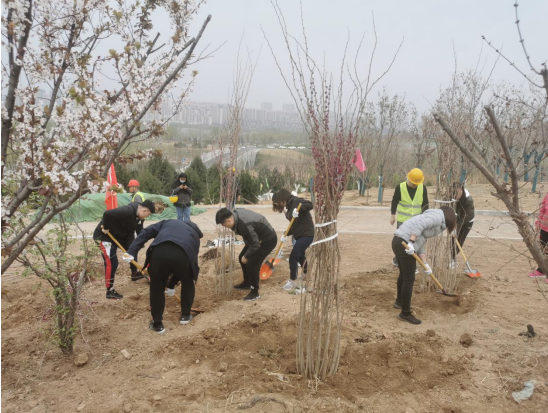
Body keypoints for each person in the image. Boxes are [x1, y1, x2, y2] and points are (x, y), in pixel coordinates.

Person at [123, 219, 203, 334]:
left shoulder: (167, 222)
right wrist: (171, 284)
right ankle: (185, 316)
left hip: (159, 253)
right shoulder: (195, 235)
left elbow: (146, 232)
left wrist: (131, 251)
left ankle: (158, 325)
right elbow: (188, 264)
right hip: (183, 256)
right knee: (187, 281)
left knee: (157, 287)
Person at [392, 206, 456, 325]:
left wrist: (425, 263)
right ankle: (405, 313)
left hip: (398, 242)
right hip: (404, 243)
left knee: (404, 276)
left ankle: (399, 302)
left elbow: (421, 240)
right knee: (409, 279)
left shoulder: (433, 217)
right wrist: (411, 243)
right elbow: (420, 225)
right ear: (450, 217)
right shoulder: (438, 217)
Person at [93, 200, 156, 299]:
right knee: (112, 262)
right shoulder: (127, 210)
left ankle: (134, 274)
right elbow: (107, 213)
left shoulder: (140, 216)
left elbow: (139, 230)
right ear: (144, 210)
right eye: (148, 215)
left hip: (120, 235)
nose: (147, 217)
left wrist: (139, 243)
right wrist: (106, 227)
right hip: (105, 236)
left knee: (132, 250)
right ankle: (110, 290)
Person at [216, 207, 277, 301]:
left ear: (229, 220)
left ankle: (255, 292)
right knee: (241, 257)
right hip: (257, 238)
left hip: (267, 240)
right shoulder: (235, 214)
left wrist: (246, 256)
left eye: (224, 225)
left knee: (252, 264)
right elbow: (252, 239)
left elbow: (255, 245)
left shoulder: (244, 225)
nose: (225, 227)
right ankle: (247, 282)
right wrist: (244, 256)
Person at [272, 189, 314, 291]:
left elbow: (310, 205)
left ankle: (293, 280)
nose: (279, 205)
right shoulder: (289, 207)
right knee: (300, 255)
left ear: (282, 199)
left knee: (293, 257)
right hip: (300, 235)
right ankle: (306, 274)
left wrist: (299, 209)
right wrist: (286, 234)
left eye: (278, 202)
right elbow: (294, 224)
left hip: (306, 234)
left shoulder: (296, 201)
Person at [390, 168, 429, 267]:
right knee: (401, 242)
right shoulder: (400, 187)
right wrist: (393, 215)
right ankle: (398, 260)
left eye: (417, 183)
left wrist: (425, 218)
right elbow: (394, 201)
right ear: (408, 178)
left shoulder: (422, 188)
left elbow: (425, 204)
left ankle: (408, 263)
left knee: (414, 242)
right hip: (403, 221)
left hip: (417, 221)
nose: (415, 185)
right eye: (413, 183)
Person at [450, 182, 475, 268]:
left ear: (461, 189)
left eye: (458, 192)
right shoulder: (452, 196)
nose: (456, 195)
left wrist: (456, 228)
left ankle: (453, 260)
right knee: (452, 241)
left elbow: (465, 217)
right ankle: (452, 258)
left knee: (459, 240)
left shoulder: (468, 200)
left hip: (467, 221)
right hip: (458, 219)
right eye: (454, 193)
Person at [529, 192, 548, 280]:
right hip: (545, 227)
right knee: (543, 249)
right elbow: (543, 210)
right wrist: (538, 223)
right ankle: (542, 270)